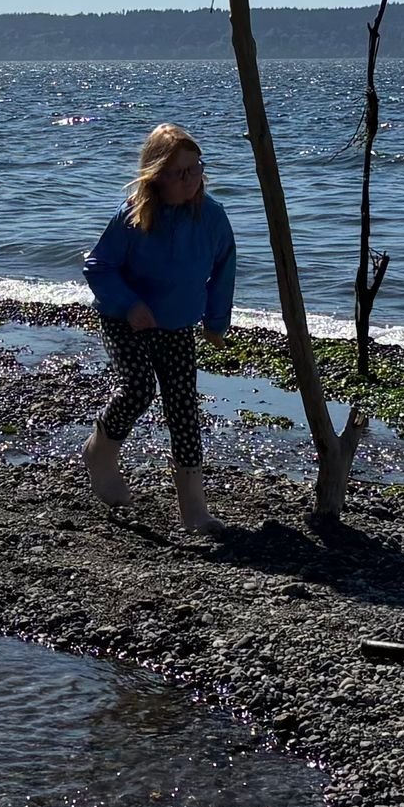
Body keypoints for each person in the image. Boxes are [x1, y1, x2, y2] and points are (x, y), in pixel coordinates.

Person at [81, 123, 236, 531]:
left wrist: (216, 323)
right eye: (179, 172)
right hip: (124, 319)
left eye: (196, 169)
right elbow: (98, 265)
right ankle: (100, 452)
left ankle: (194, 507)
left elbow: (224, 271)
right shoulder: (134, 215)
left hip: (177, 324)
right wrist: (129, 304)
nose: (190, 179)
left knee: (183, 409)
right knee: (138, 387)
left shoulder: (212, 216)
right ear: (156, 175)